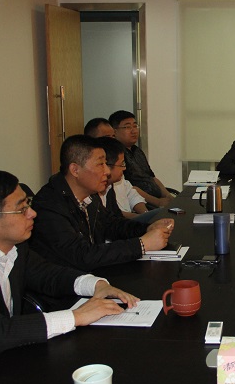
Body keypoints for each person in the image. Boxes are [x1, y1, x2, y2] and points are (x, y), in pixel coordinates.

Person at [0, 170, 139, 384]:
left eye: (28, 204)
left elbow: (46, 273)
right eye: (21, 209)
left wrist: (96, 284)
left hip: (9, 352)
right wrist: (77, 316)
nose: (32, 213)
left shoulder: (12, 243)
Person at [30, 135, 174, 271]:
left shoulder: (90, 195)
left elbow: (111, 224)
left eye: (106, 163)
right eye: (100, 164)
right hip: (68, 283)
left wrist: (147, 228)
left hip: (94, 274)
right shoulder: (49, 205)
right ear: (75, 170)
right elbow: (81, 255)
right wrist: (141, 244)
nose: (107, 171)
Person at [109, 110, 174, 208]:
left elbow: (152, 177)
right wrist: (158, 202)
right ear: (114, 131)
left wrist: (168, 196)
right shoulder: (117, 155)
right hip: (142, 204)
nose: (134, 131)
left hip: (157, 201)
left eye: (135, 126)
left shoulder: (137, 150)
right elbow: (130, 188)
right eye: (127, 127)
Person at [95, 136, 162, 223]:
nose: (124, 168)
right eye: (122, 164)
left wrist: (145, 217)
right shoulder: (93, 194)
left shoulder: (109, 187)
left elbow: (131, 194)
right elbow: (112, 221)